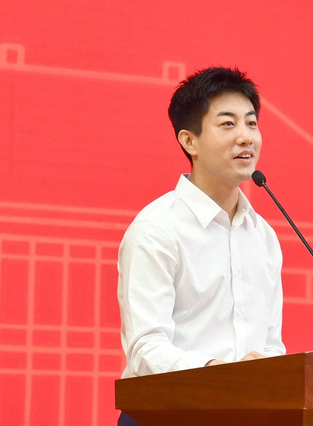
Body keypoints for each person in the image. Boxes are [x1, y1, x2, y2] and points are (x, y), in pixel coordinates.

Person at [117, 66, 286, 425]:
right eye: (228, 124)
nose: (246, 137)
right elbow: (146, 349)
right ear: (189, 141)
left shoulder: (264, 236)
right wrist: (215, 373)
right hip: (165, 416)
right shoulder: (156, 229)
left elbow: (271, 342)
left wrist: (268, 369)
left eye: (251, 123)